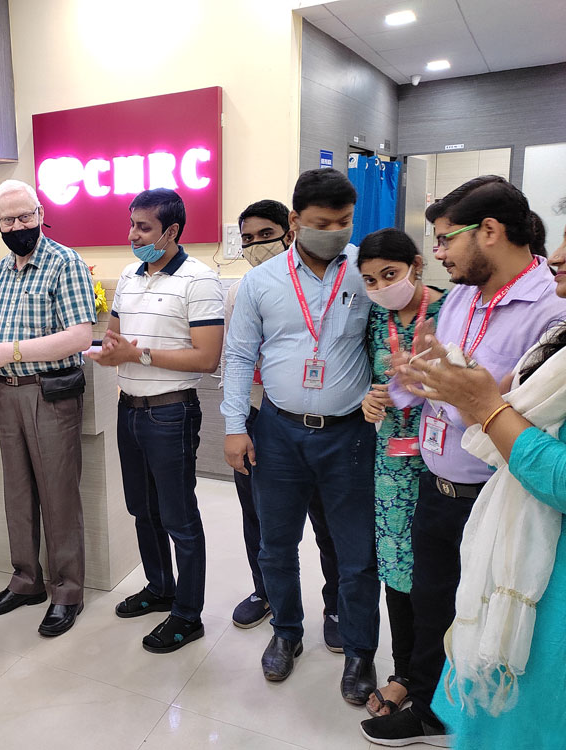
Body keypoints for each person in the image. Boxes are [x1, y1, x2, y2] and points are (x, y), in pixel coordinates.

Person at [361, 176, 566, 747]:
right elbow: (438, 383)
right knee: (433, 601)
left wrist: (468, 392)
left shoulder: (550, 309)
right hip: (437, 479)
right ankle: (432, 707)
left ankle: (482, 719)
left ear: (490, 231)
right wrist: (406, 382)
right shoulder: (461, 300)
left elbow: (525, 414)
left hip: (500, 495)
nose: (439, 253)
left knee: (488, 610)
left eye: (447, 239)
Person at [222, 169, 379, 705]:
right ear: (295, 221)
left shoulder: (364, 270)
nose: (335, 232)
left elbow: (389, 340)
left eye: (344, 222)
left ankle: (359, 650)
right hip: (279, 431)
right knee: (276, 545)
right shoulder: (261, 282)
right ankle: (286, 632)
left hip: (349, 434)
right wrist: (234, 427)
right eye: (321, 223)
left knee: (356, 553)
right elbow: (239, 355)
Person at [0, 179, 96, 637]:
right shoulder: (2, 269)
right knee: (17, 493)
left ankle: (67, 591)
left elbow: (79, 336)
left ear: (41, 214)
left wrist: (11, 351)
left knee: (58, 496)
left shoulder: (64, 262)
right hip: (6, 390)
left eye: (25, 216)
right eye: (8, 220)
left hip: (49, 393)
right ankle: (25, 580)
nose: (17, 226)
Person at [90, 188, 223, 652]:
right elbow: (115, 338)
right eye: (131, 224)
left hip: (171, 412)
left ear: (172, 231)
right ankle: (160, 587)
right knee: (141, 510)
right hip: (129, 408)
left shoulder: (200, 280)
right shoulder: (129, 276)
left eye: (143, 227)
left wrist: (138, 355)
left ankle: (188, 614)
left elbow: (206, 357)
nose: (132, 235)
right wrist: (107, 351)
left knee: (178, 517)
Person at [226, 199, 343, 650]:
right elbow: (236, 358)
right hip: (260, 418)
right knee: (260, 518)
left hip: (314, 419)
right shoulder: (241, 290)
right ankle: (268, 594)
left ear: (289, 232)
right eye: (248, 238)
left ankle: (336, 607)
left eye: (265, 235)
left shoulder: (323, 283)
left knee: (327, 523)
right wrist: (237, 424)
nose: (256, 245)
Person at [357, 228, 447, 717]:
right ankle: (403, 672)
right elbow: (369, 380)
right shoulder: (375, 319)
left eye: (389, 275)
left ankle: (441, 675)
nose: (381, 287)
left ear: (417, 264)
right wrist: (370, 400)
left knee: (439, 572)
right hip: (392, 464)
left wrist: (417, 385)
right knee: (396, 567)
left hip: (446, 462)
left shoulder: (452, 309)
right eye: (370, 280)